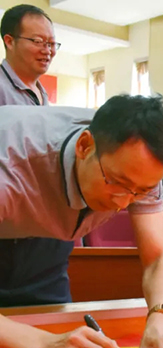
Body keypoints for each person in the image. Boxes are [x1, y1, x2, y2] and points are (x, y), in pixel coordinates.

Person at [0, 95, 163, 348]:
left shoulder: (136, 165)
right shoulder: (11, 165)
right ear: (84, 146)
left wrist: (162, 318)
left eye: (140, 192)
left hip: (47, 242)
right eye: (117, 183)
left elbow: (158, 257)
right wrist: (44, 345)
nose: (123, 203)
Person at [0, 4, 79, 308]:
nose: (48, 50)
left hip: (42, 238)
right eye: (38, 41)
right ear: (9, 41)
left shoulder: (41, 94)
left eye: (52, 43)